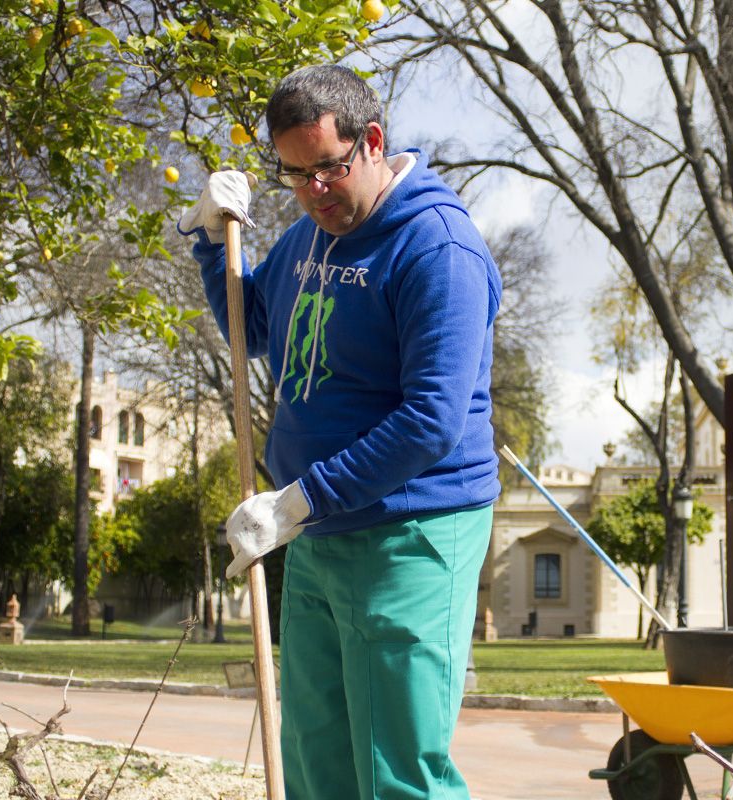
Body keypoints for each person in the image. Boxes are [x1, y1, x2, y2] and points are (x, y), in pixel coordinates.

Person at [178, 64, 501, 799]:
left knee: (397, 770)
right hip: (315, 532)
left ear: (373, 141)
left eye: (327, 167)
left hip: (412, 531)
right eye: (294, 174)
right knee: (318, 761)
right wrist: (208, 240)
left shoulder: (436, 249)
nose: (313, 190)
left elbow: (431, 423)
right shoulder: (306, 238)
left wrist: (295, 503)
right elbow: (252, 329)